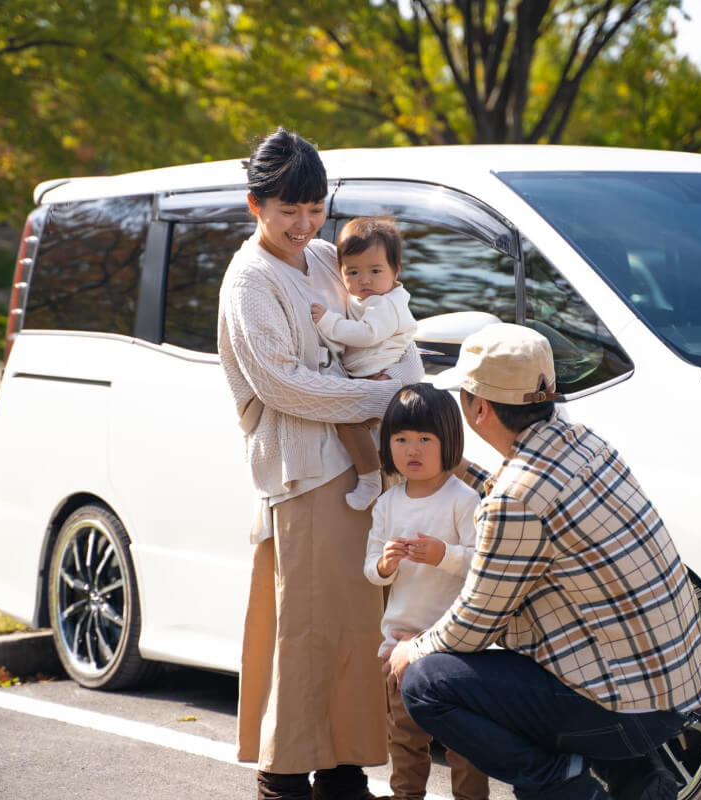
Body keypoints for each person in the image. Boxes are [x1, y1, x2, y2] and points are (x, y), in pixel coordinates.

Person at [384, 323, 701, 800]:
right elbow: (522, 496)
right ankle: (639, 784)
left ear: (478, 408)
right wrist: (457, 467)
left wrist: (410, 649)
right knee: (564, 655)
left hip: (624, 713)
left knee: (426, 683)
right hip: (674, 695)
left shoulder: (517, 498)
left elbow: (472, 626)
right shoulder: (584, 443)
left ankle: (561, 786)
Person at [217, 127, 423, 800]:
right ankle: (282, 776)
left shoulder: (332, 256)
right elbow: (283, 385)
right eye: (288, 211)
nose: (304, 223)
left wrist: (403, 395)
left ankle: (342, 770)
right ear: (256, 207)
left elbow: (383, 326)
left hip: (360, 465)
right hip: (305, 472)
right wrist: (380, 396)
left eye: (314, 208)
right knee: (306, 627)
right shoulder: (250, 278)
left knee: (358, 623)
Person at [363, 383, 490, 800]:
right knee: (405, 739)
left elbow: (482, 564)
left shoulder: (463, 499)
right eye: (400, 439)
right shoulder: (388, 503)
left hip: (453, 646)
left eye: (424, 439)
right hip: (398, 642)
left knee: (465, 743)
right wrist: (386, 564)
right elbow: (371, 571)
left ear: (448, 441)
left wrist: (443, 555)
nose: (411, 449)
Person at [311, 217, 419, 510]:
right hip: (375, 378)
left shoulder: (384, 303)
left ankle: (370, 480)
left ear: (395, 270)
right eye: (353, 272)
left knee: (350, 423)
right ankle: (381, 482)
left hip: (387, 381)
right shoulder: (366, 298)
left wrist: (327, 322)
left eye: (375, 270)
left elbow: (367, 335)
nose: (364, 280)